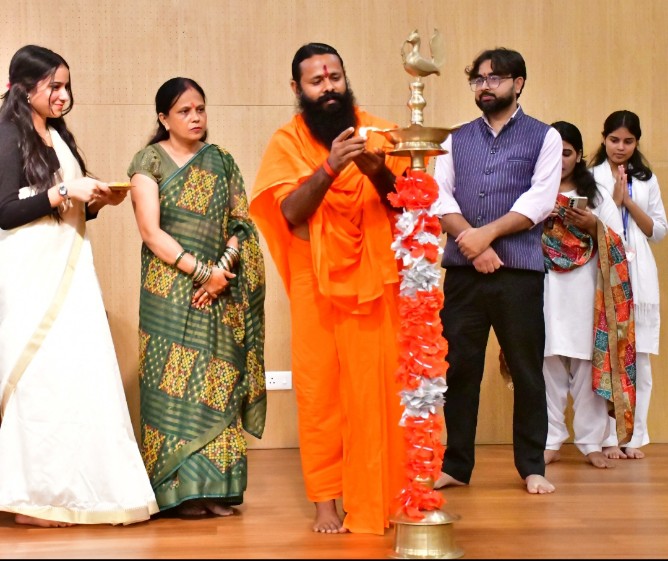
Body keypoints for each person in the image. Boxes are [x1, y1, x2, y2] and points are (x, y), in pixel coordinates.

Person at [249, 43, 409, 535]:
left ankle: (380, 494)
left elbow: (405, 204)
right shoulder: (287, 142)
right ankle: (325, 501)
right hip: (314, 282)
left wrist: (375, 169)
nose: (329, 87)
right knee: (319, 393)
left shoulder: (380, 134)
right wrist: (331, 167)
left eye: (334, 77)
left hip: (373, 278)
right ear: (297, 88)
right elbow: (290, 212)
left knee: (374, 388)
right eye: (316, 81)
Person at [0, 44, 158, 527]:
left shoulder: (56, 134)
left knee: (72, 375)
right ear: (24, 88)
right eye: (54, 85)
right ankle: (30, 496)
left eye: (66, 85)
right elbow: (6, 211)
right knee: (38, 380)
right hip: (31, 273)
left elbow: (61, 205)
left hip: (70, 268)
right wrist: (66, 190)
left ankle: (68, 488)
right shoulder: (8, 133)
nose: (63, 95)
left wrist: (96, 202)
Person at [127, 77, 266, 517]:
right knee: (171, 391)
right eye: (184, 111)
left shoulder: (221, 161)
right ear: (163, 118)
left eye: (200, 109)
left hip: (220, 291)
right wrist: (203, 272)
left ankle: (215, 489)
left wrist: (221, 271)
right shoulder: (148, 161)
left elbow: (241, 224)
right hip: (168, 292)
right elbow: (151, 232)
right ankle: (177, 492)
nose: (195, 117)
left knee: (216, 384)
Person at [433, 47, 561, 494]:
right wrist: (474, 246)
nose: (485, 87)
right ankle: (456, 465)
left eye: (495, 78)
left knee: (526, 370)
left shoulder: (544, 137)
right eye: (478, 80)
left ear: (518, 83)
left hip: (519, 274)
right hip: (464, 274)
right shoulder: (454, 138)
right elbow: (439, 196)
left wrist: (484, 236)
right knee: (459, 369)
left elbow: (540, 200)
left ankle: (532, 466)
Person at [542, 121, 632, 469]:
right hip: (545, 289)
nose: (560, 160)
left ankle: (590, 443)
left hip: (585, 292)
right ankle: (549, 441)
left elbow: (618, 243)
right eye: (553, 152)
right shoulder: (534, 191)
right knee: (546, 363)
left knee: (586, 366)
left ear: (578, 155)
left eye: (566, 152)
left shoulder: (597, 196)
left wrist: (592, 225)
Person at [590, 110, 667, 460]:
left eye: (628, 141)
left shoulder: (646, 179)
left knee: (641, 360)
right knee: (607, 356)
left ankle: (634, 437)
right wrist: (613, 203)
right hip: (604, 272)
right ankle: (608, 437)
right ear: (604, 138)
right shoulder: (590, 176)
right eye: (614, 140)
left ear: (637, 143)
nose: (620, 147)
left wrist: (628, 201)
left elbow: (658, 231)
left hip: (640, 275)